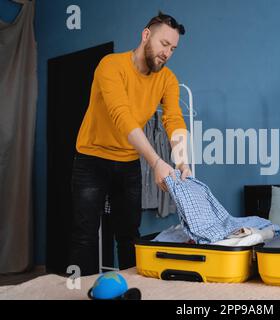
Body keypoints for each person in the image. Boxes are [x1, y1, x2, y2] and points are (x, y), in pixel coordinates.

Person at [69, 11, 191, 276]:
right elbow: (121, 117)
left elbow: (174, 119)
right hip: (92, 158)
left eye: (172, 48)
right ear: (146, 35)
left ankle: (133, 290)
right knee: (85, 236)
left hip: (128, 163)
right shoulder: (110, 65)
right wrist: (157, 162)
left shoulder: (168, 79)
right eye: (163, 44)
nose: (167, 53)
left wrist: (182, 160)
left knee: (128, 236)